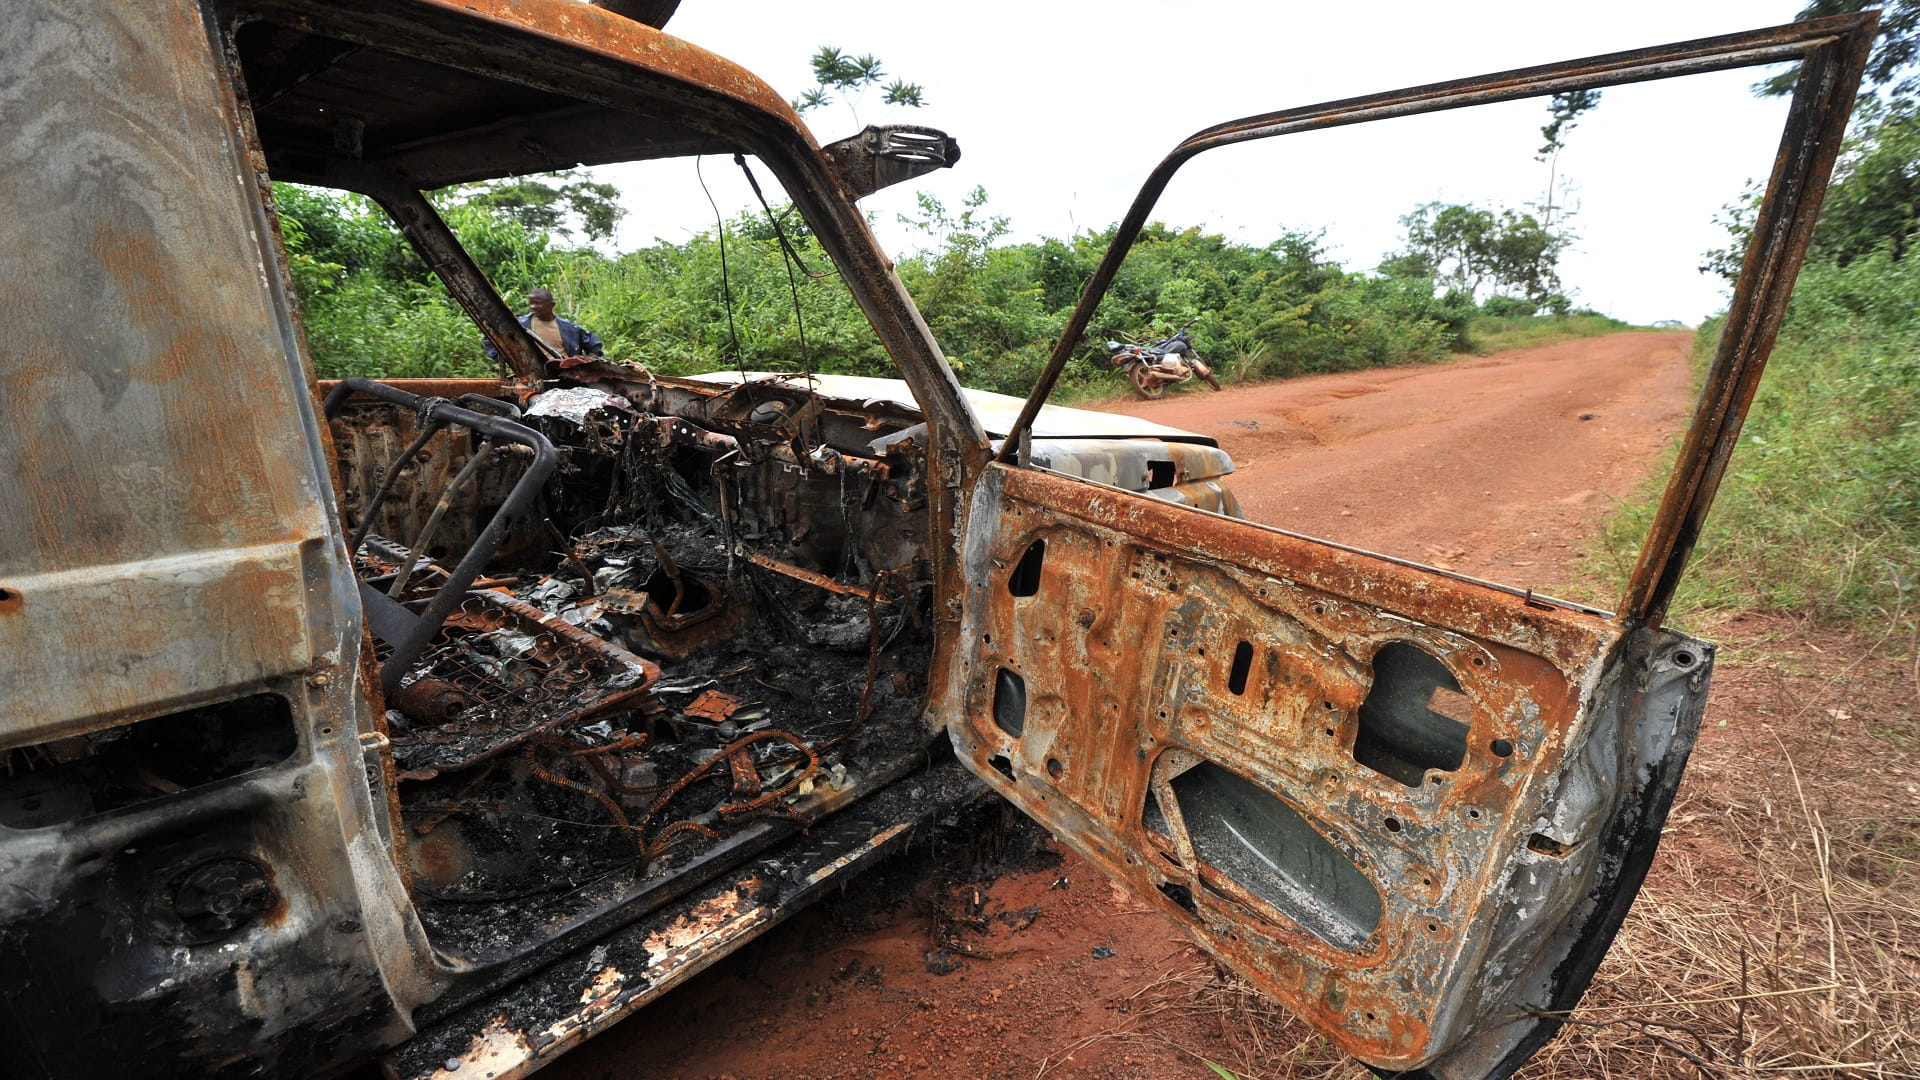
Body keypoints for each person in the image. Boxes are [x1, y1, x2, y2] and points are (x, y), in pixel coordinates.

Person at [486, 287, 603, 368]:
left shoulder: (570, 328)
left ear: (552, 305)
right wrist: (507, 359)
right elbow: (491, 336)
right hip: (533, 375)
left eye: (538, 303)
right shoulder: (519, 324)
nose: (534, 307)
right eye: (531, 303)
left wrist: (587, 362)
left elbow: (594, 345)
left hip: (566, 374)